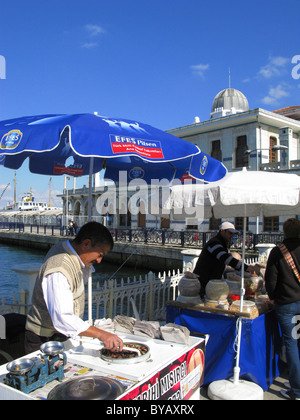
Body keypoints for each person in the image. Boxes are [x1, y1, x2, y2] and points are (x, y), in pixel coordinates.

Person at [25, 222, 123, 354]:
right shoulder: (59, 269)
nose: (99, 260)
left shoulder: (69, 249)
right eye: (99, 254)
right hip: (43, 340)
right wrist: (102, 334)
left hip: (58, 337)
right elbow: (63, 318)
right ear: (86, 244)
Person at [265, 218, 300, 400]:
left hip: (286, 304)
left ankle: (297, 391)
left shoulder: (278, 251)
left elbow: (270, 281)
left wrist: (272, 297)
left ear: (284, 232)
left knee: (292, 344)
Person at [193, 221, 255, 298]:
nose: (232, 236)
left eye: (233, 234)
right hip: (204, 281)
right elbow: (225, 258)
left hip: (211, 281)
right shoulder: (214, 243)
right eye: (230, 233)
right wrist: (246, 267)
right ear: (222, 231)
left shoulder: (222, 243)